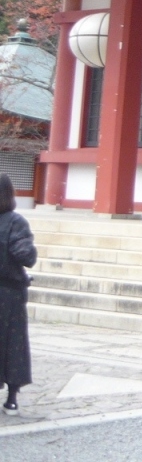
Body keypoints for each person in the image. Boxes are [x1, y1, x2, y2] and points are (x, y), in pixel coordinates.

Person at [0, 174, 36, 416]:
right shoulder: (15, 222)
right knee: (13, 344)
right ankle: (12, 398)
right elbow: (26, 256)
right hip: (9, 293)